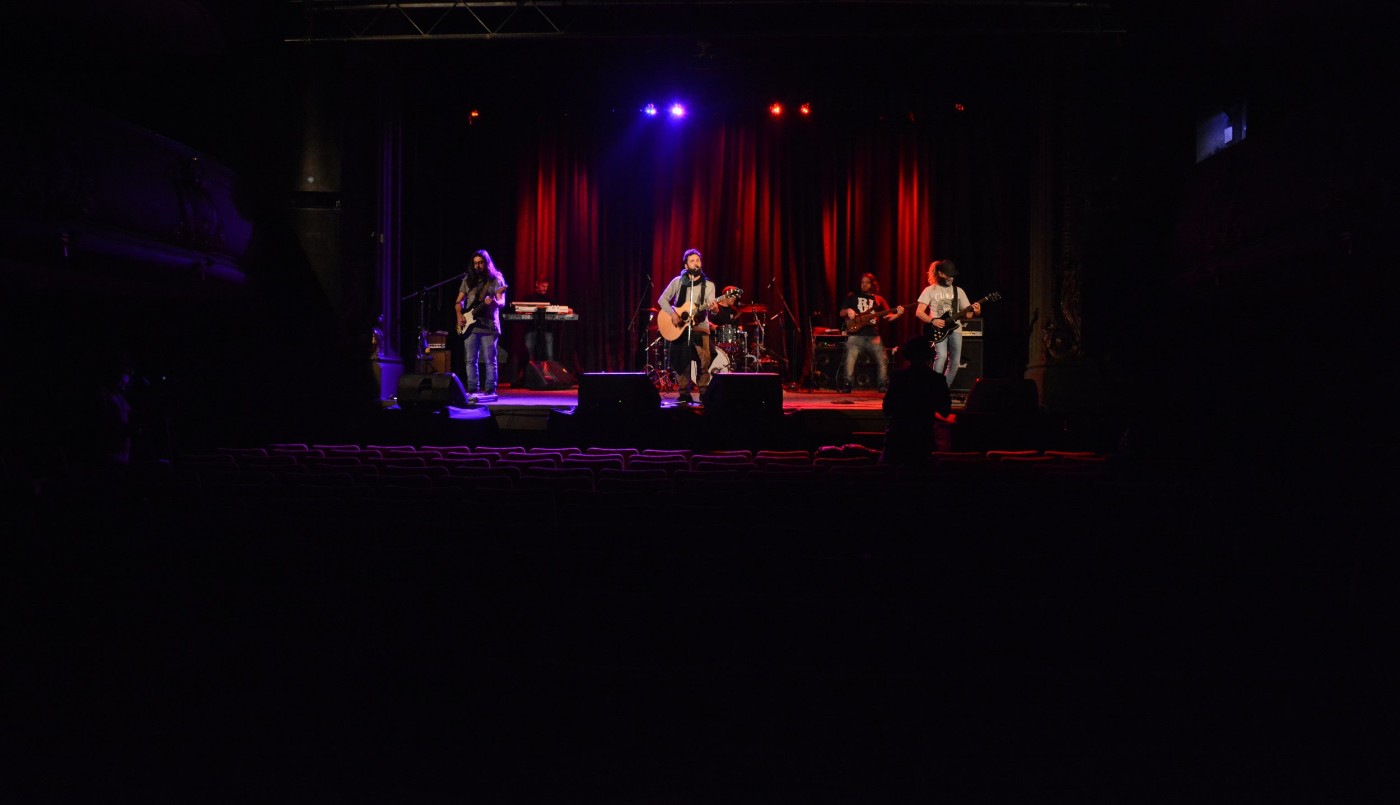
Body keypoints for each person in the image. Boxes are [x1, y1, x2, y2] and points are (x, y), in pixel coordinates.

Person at [880, 335, 954, 467]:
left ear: (907, 355)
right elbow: (945, 410)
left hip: (896, 441)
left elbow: (887, 409)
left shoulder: (898, 377)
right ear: (929, 356)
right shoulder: (937, 380)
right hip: (923, 441)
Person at [656, 248, 718, 404]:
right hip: (680, 329)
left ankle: (704, 392)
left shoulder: (709, 285)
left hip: (700, 327)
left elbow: (711, 308)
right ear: (685, 266)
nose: (696, 263)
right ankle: (684, 394)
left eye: (698, 260)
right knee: (681, 363)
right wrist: (673, 314)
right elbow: (662, 300)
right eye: (692, 261)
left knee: (704, 363)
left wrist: (715, 309)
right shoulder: (677, 281)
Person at [915, 259, 981, 391]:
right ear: (940, 273)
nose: (951, 278)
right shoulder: (930, 290)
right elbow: (919, 312)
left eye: (953, 275)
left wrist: (977, 310)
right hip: (938, 328)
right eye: (948, 275)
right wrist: (932, 320)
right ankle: (933, 388)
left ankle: (942, 389)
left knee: (955, 362)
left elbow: (968, 315)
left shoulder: (959, 291)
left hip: (956, 329)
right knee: (942, 356)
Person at [454, 249, 508, 399]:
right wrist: (459, 315)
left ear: (487, 263)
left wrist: (494, 302)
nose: (478, 266)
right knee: (470, 359)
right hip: (470, 325)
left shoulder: (496, 279)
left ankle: (490, 390)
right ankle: (472, 390)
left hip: (489, 325)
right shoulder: (468, 279)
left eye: (481, 263)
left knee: (490, 359)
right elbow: (458, 302)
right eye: (475, 263)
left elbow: (502, 302)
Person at [837, 272, 903, 393]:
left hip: (873, 335)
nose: (864, 285)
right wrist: (848, 310)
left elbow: (887, 317)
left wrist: (898, 314)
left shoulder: (878, 299)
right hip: (856, 335)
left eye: (867, 282)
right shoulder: (852, 296)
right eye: (862, 282)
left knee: (883, 359)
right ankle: (847, 384)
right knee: (849, 359)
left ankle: (882, 385)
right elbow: (841, 313)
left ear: (873, 284)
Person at [520, 276, 557, 364]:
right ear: (537, 284)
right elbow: (520, 310)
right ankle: (530, 374)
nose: (545, 289)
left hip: (547, 329)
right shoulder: (529, 298)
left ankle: (548, 374)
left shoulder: (550, 299)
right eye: (543, 286)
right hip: (531, 329)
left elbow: (557, 312)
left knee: (549, 354)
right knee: (529, 354)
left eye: (546, 287)